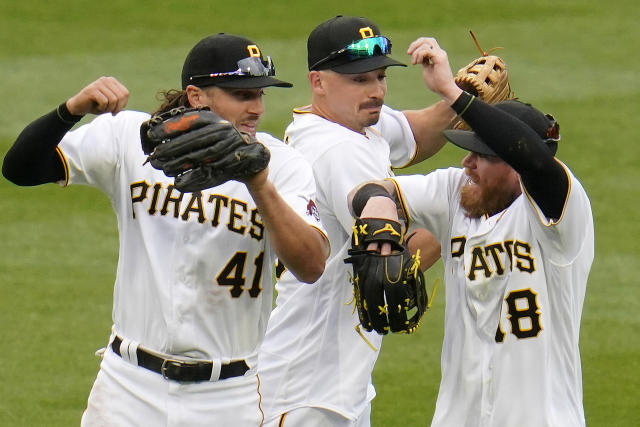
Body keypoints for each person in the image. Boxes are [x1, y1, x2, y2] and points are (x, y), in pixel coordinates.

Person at [2, 33, 329, 426]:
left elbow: (311, 267)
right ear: (196, 96)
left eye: (260, 94)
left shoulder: (282, 165)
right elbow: (21, 169)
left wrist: (258, 183)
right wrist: (71, 110)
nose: (257, 107)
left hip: (227, 395)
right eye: (242, 95)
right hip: (128, 387)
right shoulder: (132, 139)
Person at [348, 83, 593, 425]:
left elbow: (536, 162)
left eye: (482, 154)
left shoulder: (562, 216)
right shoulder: (456, 193)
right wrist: (380, 214)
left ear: (515, 164)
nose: (467, 163)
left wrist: (453, 93)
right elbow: (368, 191)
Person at [258, 15, 459, 426]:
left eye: (380, 77)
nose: (376, 92)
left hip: (336, 382)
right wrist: (464, 215)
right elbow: (390, 263)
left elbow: (414, 134)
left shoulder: (347, 119)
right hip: (309, 385)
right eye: (359, 80)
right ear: (318, 81)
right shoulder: (338, 152)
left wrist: (461, 97)